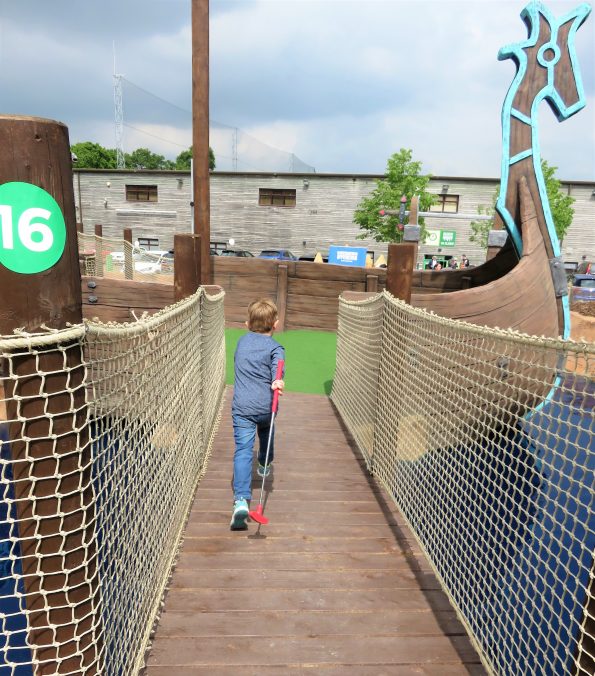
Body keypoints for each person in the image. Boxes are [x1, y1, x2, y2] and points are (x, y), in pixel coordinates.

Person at [230, 298, 285, 530]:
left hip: (242, 407)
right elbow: (277, 369)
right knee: (267, 435)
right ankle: (263, 462)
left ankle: (241, 500)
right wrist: (277, 380)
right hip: (265, 407)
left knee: (243, 450)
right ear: (276, 324)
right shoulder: (276, 348)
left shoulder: (241, 343)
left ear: (246, 323)